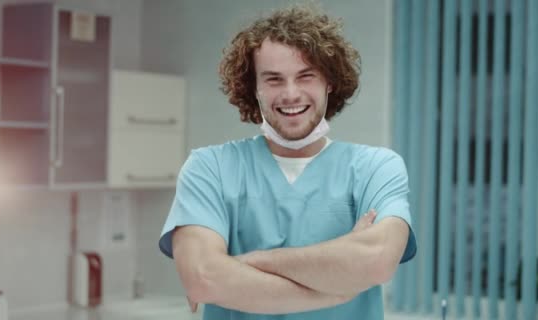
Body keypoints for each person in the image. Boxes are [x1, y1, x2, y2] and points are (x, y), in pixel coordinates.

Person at [159, 4, 417, 320]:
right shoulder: (209, 168)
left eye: (306, 76)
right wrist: (338, 285)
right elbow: (204, 277)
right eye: (274, 79)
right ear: (253, 88)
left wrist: (247, 263)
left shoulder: (376, 168)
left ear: (329, 83)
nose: (291, 93)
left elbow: (377, 260)